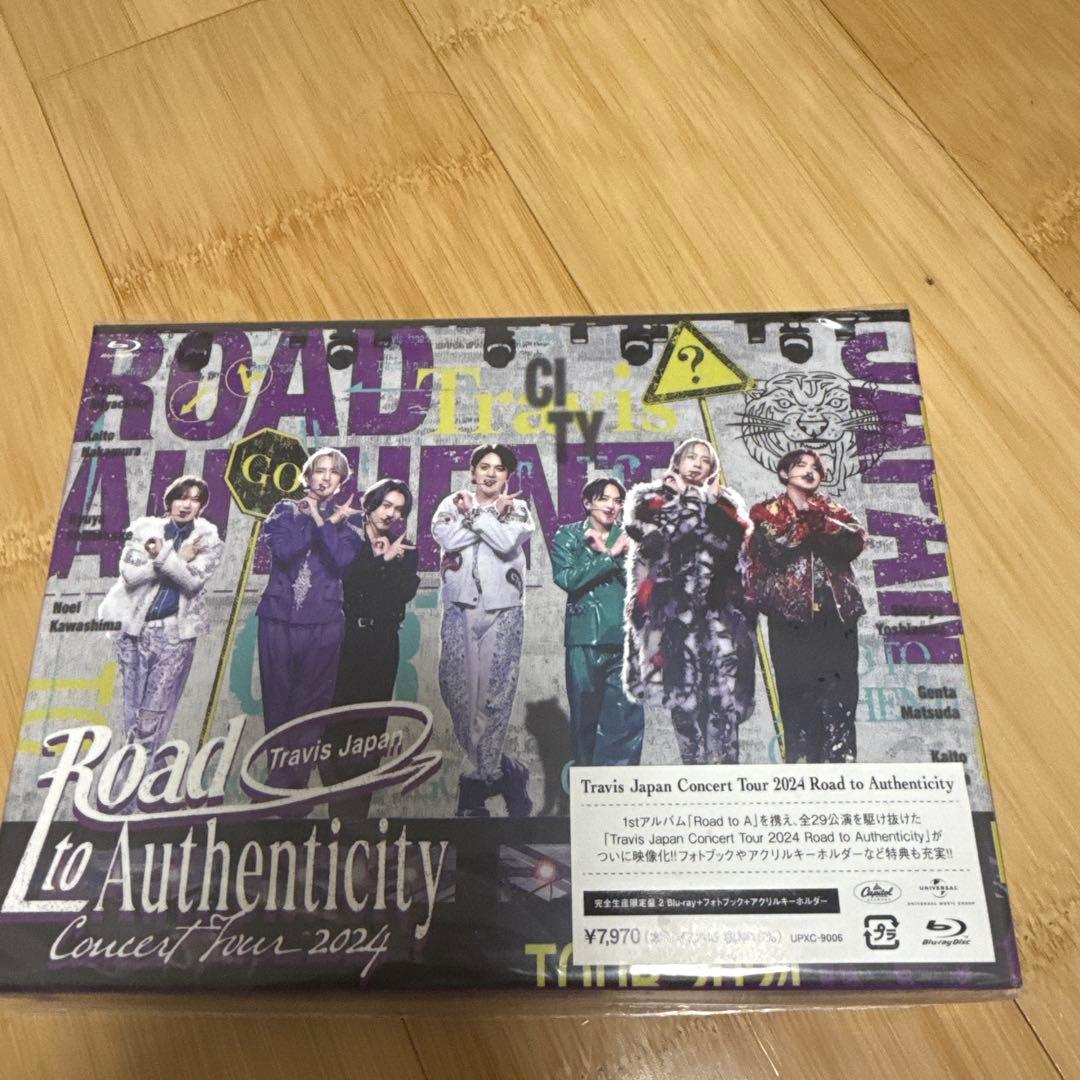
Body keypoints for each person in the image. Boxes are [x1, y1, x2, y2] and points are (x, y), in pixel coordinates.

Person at [623, 439, 755, 765]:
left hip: (718, 616)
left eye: (705, 460)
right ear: (676, 462)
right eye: (690, 457)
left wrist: (707, 503)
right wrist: (683, 501)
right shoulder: (651, 499)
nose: (697, 464)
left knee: (722, 700)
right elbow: (654, 538)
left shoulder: (725, 503)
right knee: (683, 702)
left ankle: (726, 775)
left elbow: (734, 543)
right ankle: (693, 773)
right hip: (671, 617)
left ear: (712, 469)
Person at [433, 444, 534, 818]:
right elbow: (449, 540)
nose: (491, 474)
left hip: (503, 608)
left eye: (499, 468)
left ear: (508, 475)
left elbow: (507, 542)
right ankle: (503, 770)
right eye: (484, 467)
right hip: (460, 606)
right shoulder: (451, 502)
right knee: (455, 688)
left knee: (494, 695)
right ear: (472, 472)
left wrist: (475, 516)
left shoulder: (518, 508)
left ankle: (477, 782)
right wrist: (489, 520)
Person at [748, 449, 866, 763]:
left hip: (837, 615)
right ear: (784, 473)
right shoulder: (765, 511)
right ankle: (802, 763)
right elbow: (774, 548)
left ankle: (841, 763)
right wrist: (804, 522)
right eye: (801, 465)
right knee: (797, 693)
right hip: (790, 618)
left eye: (815, 467)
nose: (809, 470)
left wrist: (823, 522)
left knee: (841, 692)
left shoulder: (834, 510)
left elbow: (856, 541)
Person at [256, 447, 362, 787]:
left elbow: (340, 561)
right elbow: (285, 552)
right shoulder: (284, 510)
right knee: (278, 701)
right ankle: (277, 781)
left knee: (312, 705)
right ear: (308, 476)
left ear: (341, 481)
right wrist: (314, 519)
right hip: (278, 619)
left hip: (324, 623)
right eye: (319, 470)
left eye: (333, 472)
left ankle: (296, 784)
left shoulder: (350, 520)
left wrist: (323, 520)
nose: (326, 477)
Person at [99, 474, 223, 758]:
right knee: (132, 710)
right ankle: (131, 770)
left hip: (174, 636)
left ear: (201, 506)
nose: (186, 505)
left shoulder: (207, 539)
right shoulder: (143, 529)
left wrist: (161, 557)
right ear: (170, 501)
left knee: (153, 713)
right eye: (181, 497)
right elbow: (130, 576)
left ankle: (142, 769)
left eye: (195, 500)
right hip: (134, 632)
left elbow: (191, 582)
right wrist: (177, 557)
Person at [320, 478, 419, 816]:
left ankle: (355, 815)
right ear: (371, 504)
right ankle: (336, 807)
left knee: (371, 729)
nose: (391, 514)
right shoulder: (347, 538)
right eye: (386, 505)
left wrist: (389, 562)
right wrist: (379, 562)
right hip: (344, 639)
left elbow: (402, 594)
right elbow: (344, 583)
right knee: (335, 723)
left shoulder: (406, 548)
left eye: (399, 510)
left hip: (382, 644)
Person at [551, 477, 644, 767]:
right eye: (604, 499)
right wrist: (610, 556)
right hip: (585, 636)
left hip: (624, 637)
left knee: (626, 720)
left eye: (618, 501)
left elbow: (643, 583)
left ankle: (621, 787)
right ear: (588, 502)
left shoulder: (630, 536)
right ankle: (587, 784)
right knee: (585, 718)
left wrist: (614, 554)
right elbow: (567, 578)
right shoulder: (568, 536)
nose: (611, 506)